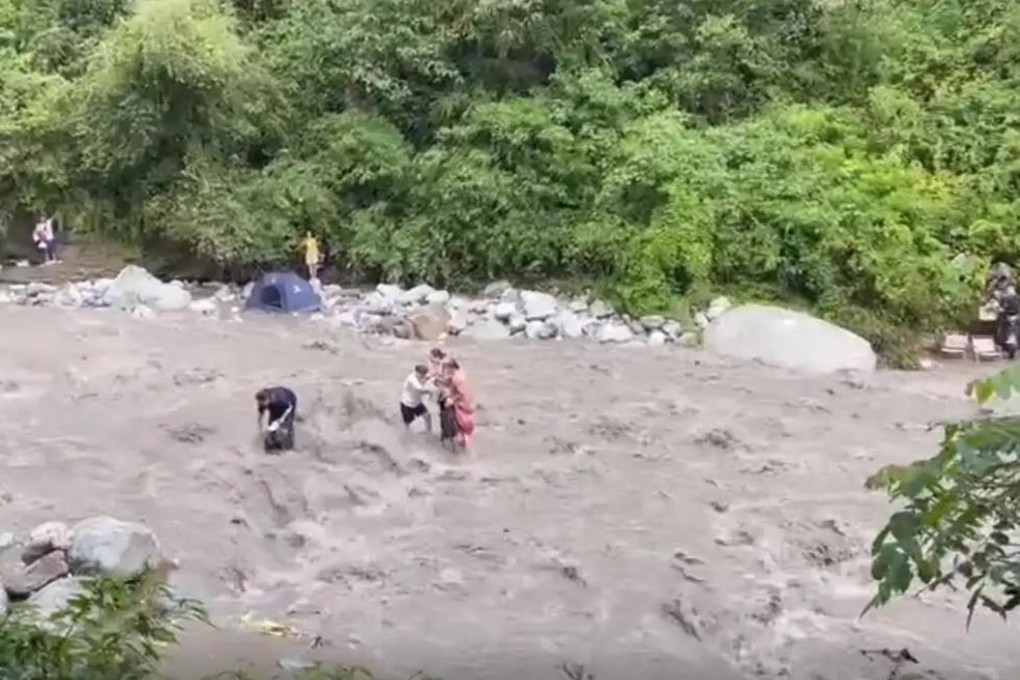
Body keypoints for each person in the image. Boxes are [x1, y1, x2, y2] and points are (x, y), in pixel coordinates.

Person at [442, 358, 476, 450]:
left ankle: (462, 448)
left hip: (463, 405)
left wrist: (452, 400)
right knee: (465, 429)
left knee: (461, 427)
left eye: (445, 367)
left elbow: (461, 393)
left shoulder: (458, 379)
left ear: (450, 367)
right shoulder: (460, 374)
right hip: (468, 403)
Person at [256, 386, 298, 452]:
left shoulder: (279, 403)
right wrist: (260, 428)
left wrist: (282, 422)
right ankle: (271, 442)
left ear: (267, 400)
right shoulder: (262, 399)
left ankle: (289, 446)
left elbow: (287, 410)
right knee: (272, 426)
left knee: (286, 425)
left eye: (262, 403)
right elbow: (261, 415)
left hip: (289, 401)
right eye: (259, 403)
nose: (260, 404)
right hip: (279, 396)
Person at [400, 364, 436, 433]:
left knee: (427, 415)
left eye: (424, 374)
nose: (423, 376)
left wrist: (432, 379)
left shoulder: (421, 377)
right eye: (422, 374)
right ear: (417, 372)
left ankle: (428, 431)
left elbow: (427, 380)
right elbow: (420, 389)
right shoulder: (411, 378)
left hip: (417, 402)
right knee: (409, 423)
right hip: (407, 404)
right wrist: (431, 391)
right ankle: (407, 435)